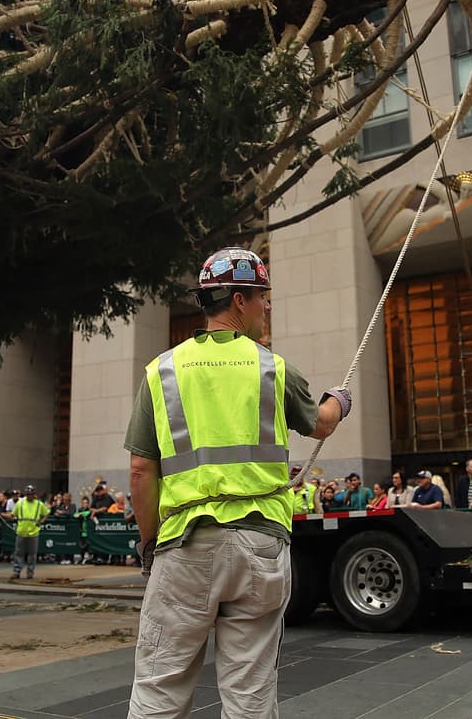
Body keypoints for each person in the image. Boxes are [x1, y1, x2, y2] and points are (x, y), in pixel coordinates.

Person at [123, 246, 346, 718]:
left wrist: (149, 544)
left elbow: (142, 471)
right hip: (259, 545)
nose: (267, 307)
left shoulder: (161, 372)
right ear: (240, 300)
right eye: (264, 297)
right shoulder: (270, 367)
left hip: (184, 546)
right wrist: (339, 401)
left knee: (159, 686)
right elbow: (320, 424)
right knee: (250, 691)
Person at [6, 484, 49, 581]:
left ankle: (30, 572)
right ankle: (16, 572)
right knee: (18, 553)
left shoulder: (38, 504)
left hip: (33, 532)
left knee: (32, 554)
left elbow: (46, 513)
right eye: (28, 494)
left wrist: (42, 521)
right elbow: (13, 514)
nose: (30, 496)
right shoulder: (20, 503)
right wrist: (2, 514)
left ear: (34, 494)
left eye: (31, 494)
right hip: (21, 531)